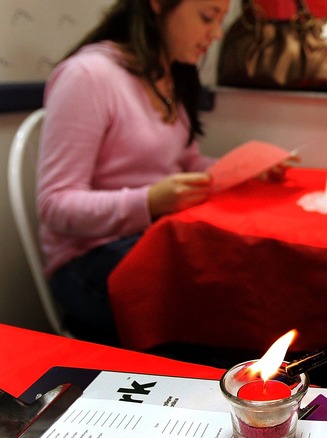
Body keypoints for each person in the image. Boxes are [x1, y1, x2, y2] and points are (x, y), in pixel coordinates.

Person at [37, 0, 232, 345]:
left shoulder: (170, 73)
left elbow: (185, 165)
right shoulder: (88, 76)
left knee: (235, 274)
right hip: (88, 260)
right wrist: (148, 201)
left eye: (221, 19)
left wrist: (243, 168)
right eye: (207, 16)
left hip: (151, 237)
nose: (215, 34)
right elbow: (54, 205)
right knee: (219, 313)